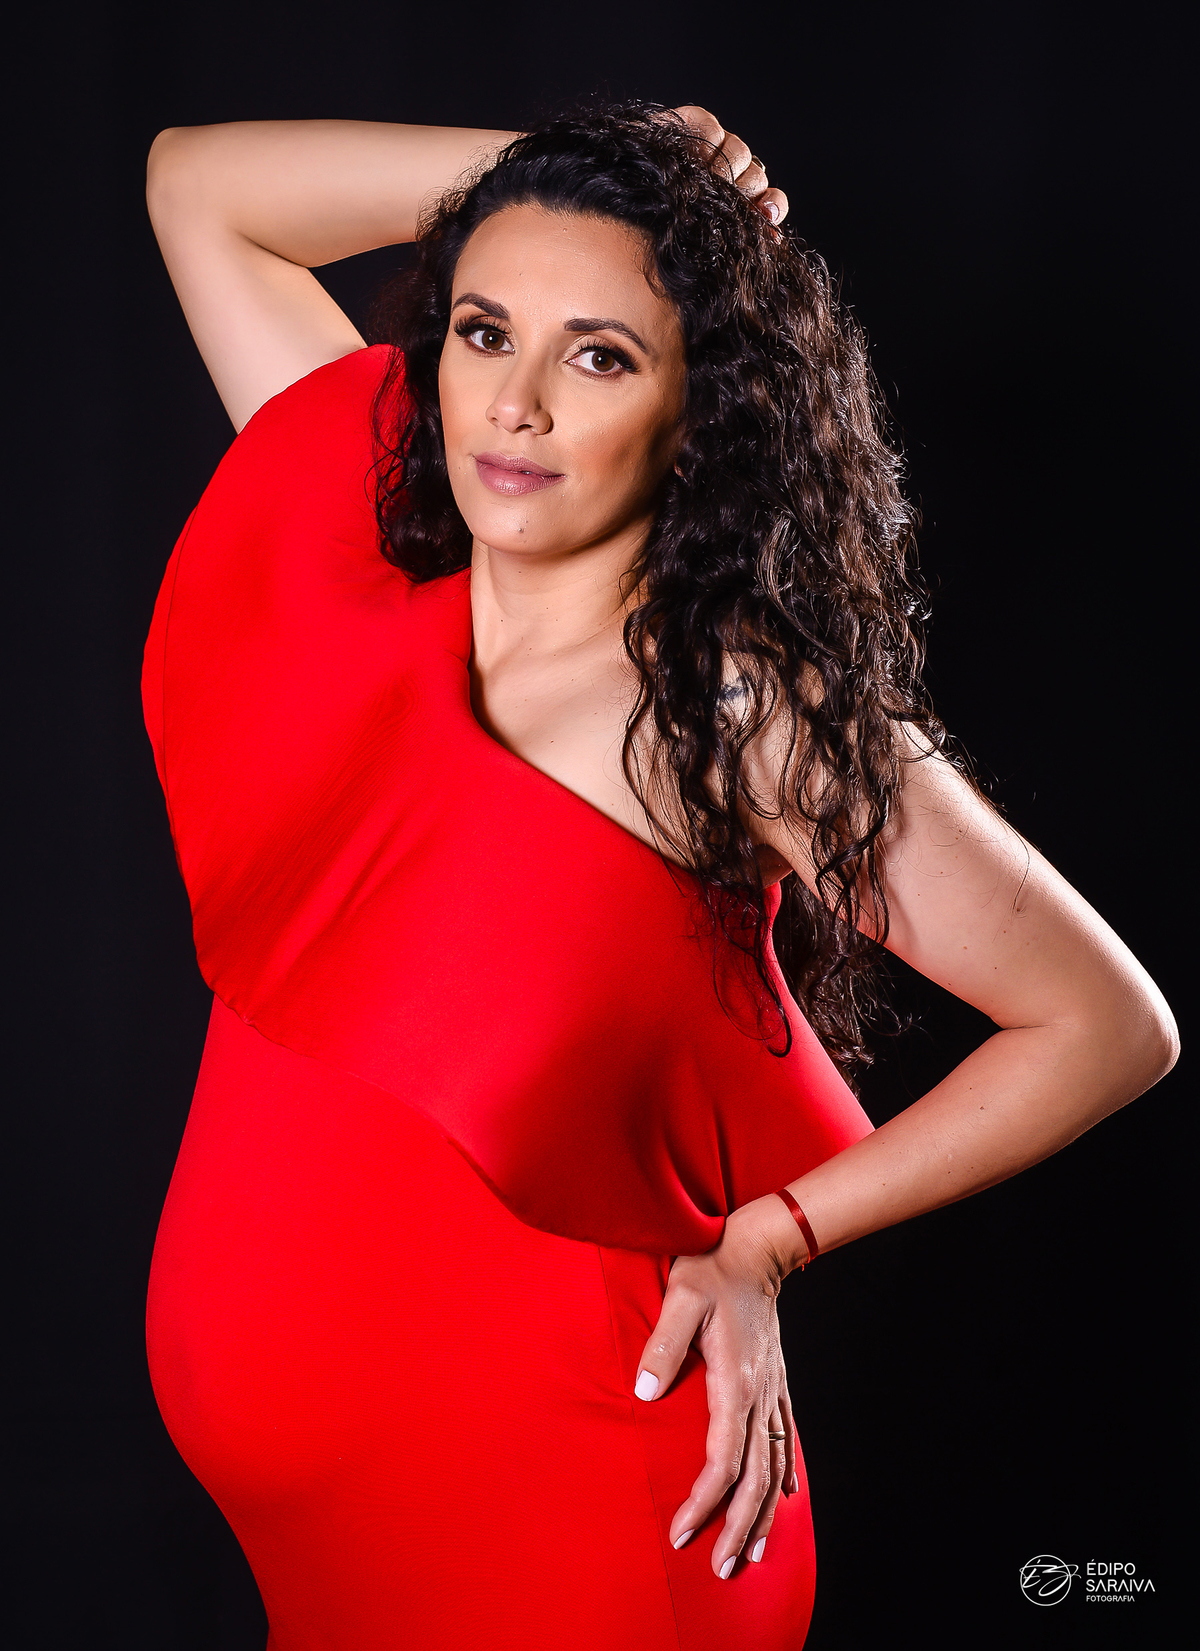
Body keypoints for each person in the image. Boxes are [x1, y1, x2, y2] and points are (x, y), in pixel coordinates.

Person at [141, 103, 1177, 1650]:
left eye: (602, 356)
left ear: (705, 408)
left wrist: (773, 1236)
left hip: (587, 1523)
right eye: (485, 331)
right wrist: (582, 172)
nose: (518, 404)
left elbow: (1108, 1025)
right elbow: (196, 184)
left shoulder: (728, 707)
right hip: (323, 1558)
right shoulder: (356, 547)